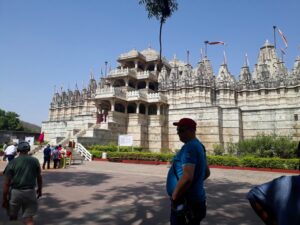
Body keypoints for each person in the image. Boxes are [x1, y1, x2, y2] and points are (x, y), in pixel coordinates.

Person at [166, 118, 207, 225]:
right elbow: (206, 173)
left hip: (186, 202)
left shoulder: (190, 147)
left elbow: (187, 177)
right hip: (196, 200)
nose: (178, 133)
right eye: (178, 131)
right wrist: (195, 183)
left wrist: (175, 196)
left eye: (181, 130)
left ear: (191, 130)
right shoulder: (199, 146)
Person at [2, 141, 42, 225]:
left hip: (15, 193)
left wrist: (5, 198)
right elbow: (39, 177)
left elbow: (7, 183)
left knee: (13, 217)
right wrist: (40, 189)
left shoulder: (13, 162)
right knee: (29, 219)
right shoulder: (35, 161)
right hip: (30, 192)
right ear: (28, 150)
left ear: (18, 150)